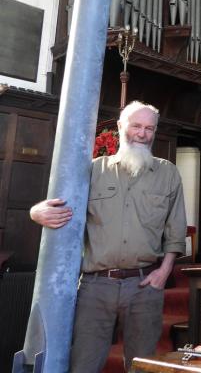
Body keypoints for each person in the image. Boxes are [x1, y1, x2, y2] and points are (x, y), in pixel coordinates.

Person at [29, 101, 187, 372]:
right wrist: (36, 212)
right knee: (83, 364)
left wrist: (164, 271)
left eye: (150, 128)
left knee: (143, 365)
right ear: (120, 127)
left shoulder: (168, 173)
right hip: (95, 286)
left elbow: (176, 229)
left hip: (145, 285)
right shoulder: (92, 170)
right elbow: (56, 205)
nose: (142, 133)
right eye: (136, 125)